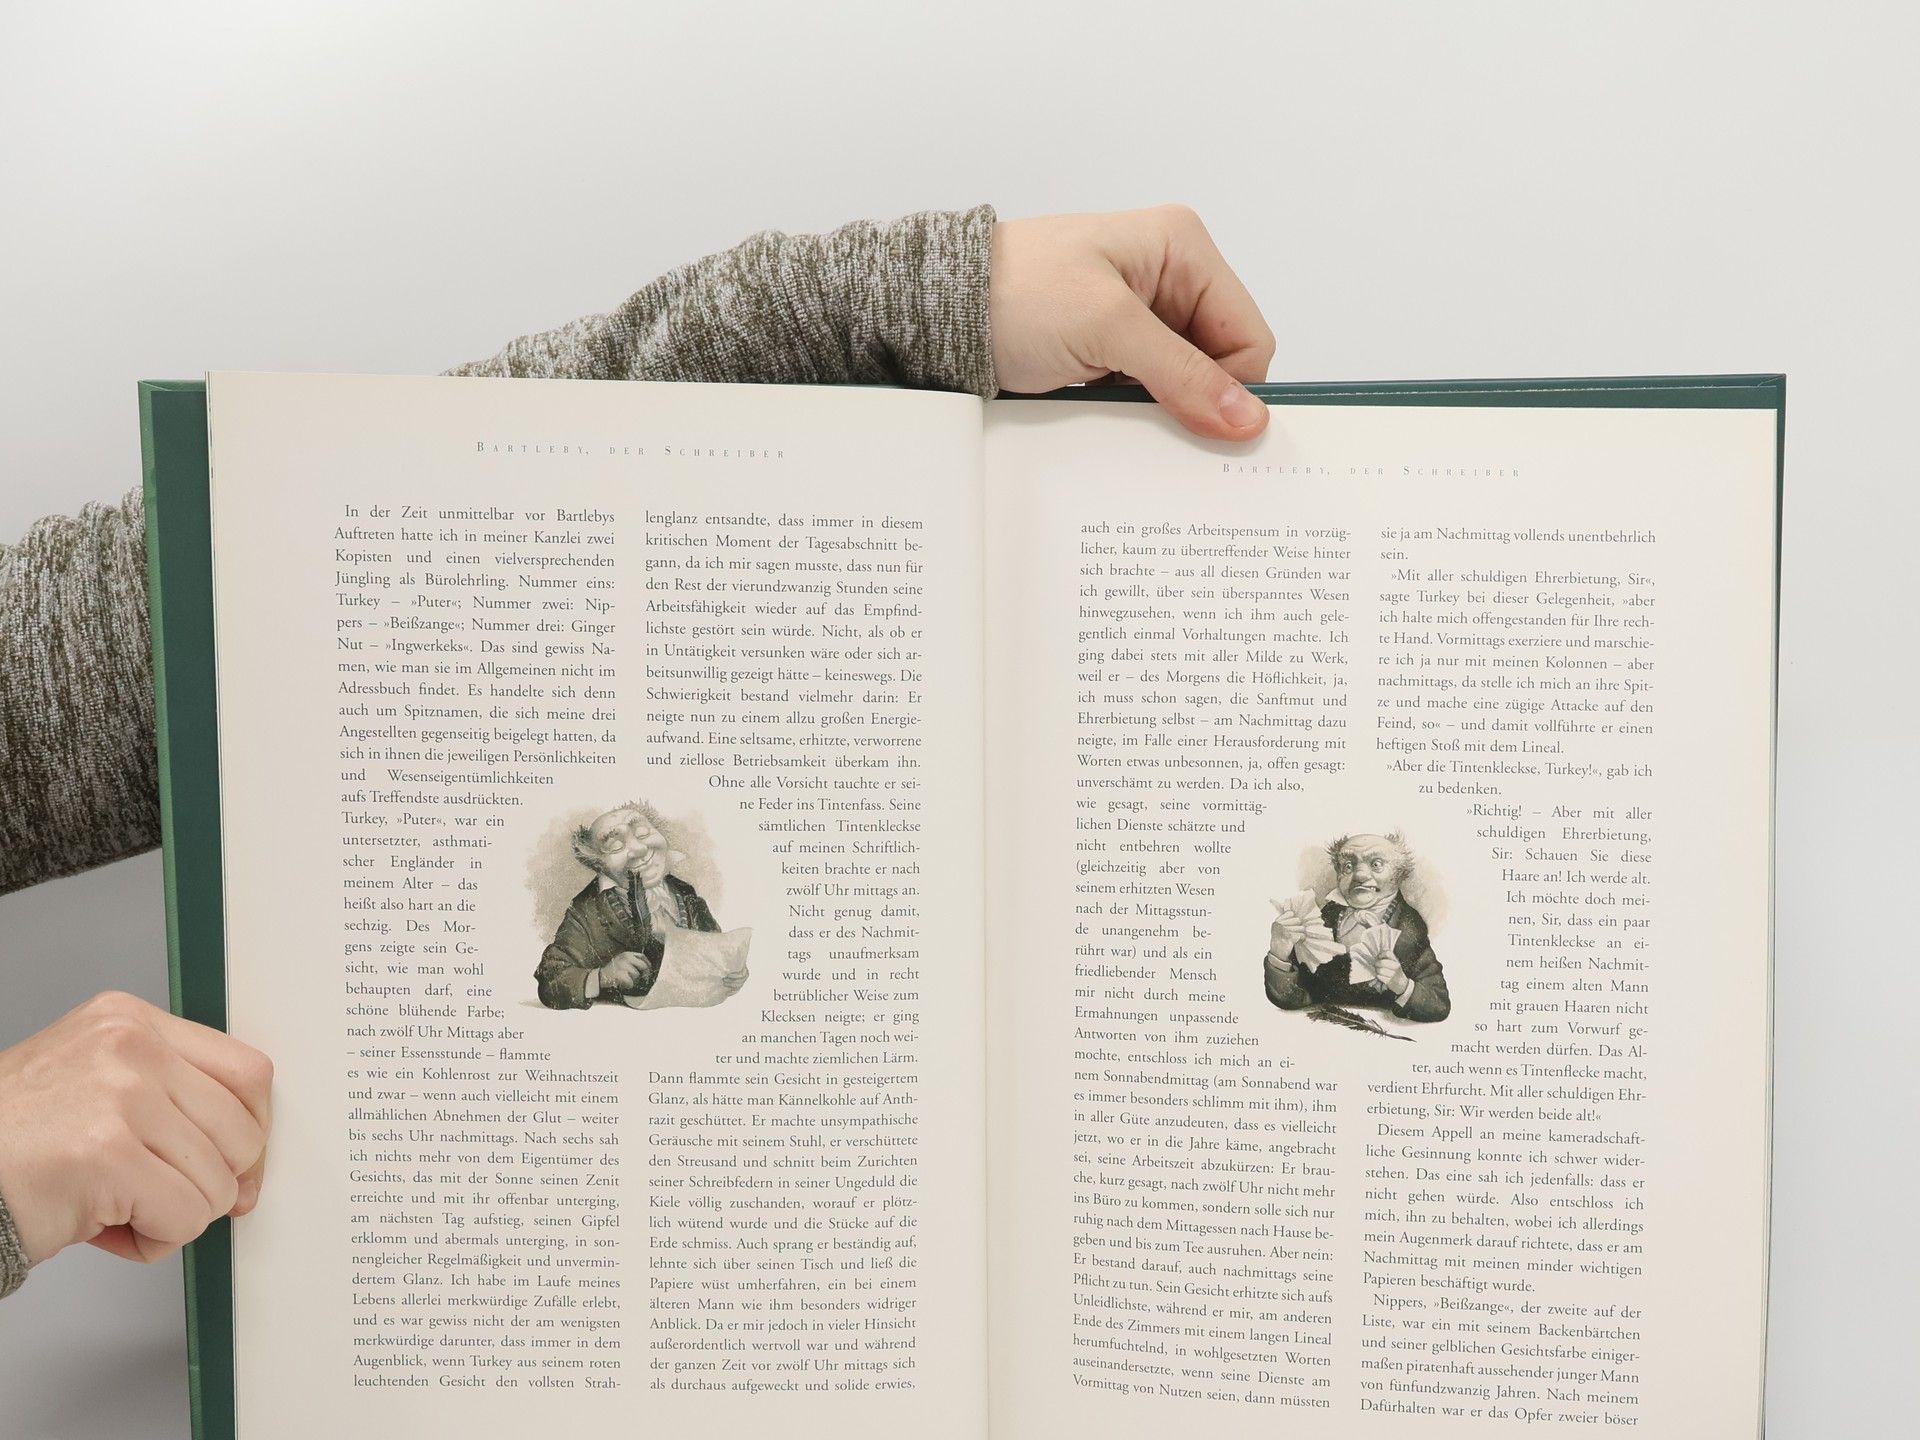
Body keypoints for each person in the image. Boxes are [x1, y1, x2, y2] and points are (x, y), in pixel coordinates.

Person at [0, 201, 1276, 1299]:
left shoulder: (688, 893)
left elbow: (244, 582)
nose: (644, 851)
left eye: (646, 837)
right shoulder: (586, 917)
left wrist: (918, 305)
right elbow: (558, 980)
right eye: (622, 843)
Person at [535, 803, 725, 1009]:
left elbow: (718, 949)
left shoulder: (685, 893)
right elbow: (550, 979)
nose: (639, 849)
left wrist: (729, 972)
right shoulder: (587, 912)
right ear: (599, 864)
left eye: (642, 833)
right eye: (616, 846)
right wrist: (600, 977)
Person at [1264, 831, 1452, 1024]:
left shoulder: (1409, 928)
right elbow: (1290, 998)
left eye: (1376, 864)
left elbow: (1438, 1004)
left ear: (1398, 873)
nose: (1360, 875)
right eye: (1348, 866)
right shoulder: (1323, 918)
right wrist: (1279, 953)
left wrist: (1402, 985)